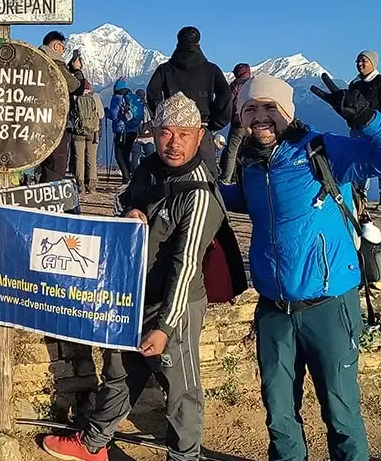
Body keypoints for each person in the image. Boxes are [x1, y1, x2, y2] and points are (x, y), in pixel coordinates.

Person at [220, 74, 381, 461]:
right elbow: (238, 200)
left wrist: (366, 120)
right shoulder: (252, 166)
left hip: (329, 306)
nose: (260, 116)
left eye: (269, 107)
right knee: (279, 416)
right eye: (250, 108)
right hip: (274, 309)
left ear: (287, 113)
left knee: (341, 414)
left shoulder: (321, 152)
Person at [40, 93, 241, 461]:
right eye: (166, 132)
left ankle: (184, 457)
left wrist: (164, 327)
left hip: (173, 305)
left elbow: (186, 266)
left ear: (200, 135)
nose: (174, 142)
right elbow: (120, 200)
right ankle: (94, 444)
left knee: (180, 389)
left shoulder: (199, 195)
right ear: (155, 132)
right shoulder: (150, 167)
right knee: (118, 371)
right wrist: (130, 209)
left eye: (184, 133)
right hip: (131, 294)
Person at [146, 26, 232, 176]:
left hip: (170, 129)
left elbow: (152, 92)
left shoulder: (165, 69)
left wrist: (163, 116)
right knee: (207, 176)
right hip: (201, 128)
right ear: (198, 44)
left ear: (178, 43)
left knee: (167, 172)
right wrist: (215, 123)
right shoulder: (211, 70)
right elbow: (225, 95)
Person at [348, 50, 381, 213]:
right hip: (357, 130)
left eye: (364, 60)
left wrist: (376, 119)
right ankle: (360, 197)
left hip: (378, 130)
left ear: (373, 63)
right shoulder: (354, 84)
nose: (360, 64)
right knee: (359, 161)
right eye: (358, 61)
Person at [40, 32, 83, 182]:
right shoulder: (55, 62)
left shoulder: (35, 60)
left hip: (36, 119)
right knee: (56, 163)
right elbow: (75, 87)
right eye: (63, 48)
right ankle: (50, 197)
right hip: (56, 120)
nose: (63, 52)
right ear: (56, 46)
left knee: (43, 161)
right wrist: (77, 70)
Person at [218, 63, 252, 184]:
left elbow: (228, 103)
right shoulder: (253, 84)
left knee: (232, 151)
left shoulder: (235, 85)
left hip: (237, 124)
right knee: (250, 152)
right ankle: (247, 178)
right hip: (251, 123)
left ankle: (226, 178)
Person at [71, 79, 105, 194]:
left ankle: (80, 185)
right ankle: (91, 186)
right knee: (91, 158)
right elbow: (101, 115)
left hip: (78, 132)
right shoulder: (95, 97)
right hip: (93, 132)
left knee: (79, 159)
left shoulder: (76, 98)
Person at [106, 80, 143, 183]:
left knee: (119, 156)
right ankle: (129, 177)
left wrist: (106, 112)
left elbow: (113, 115)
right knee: (126, 154)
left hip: (121, 131)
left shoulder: (116, 98)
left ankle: (126, 178)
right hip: (133, 130)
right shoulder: (130, 97)